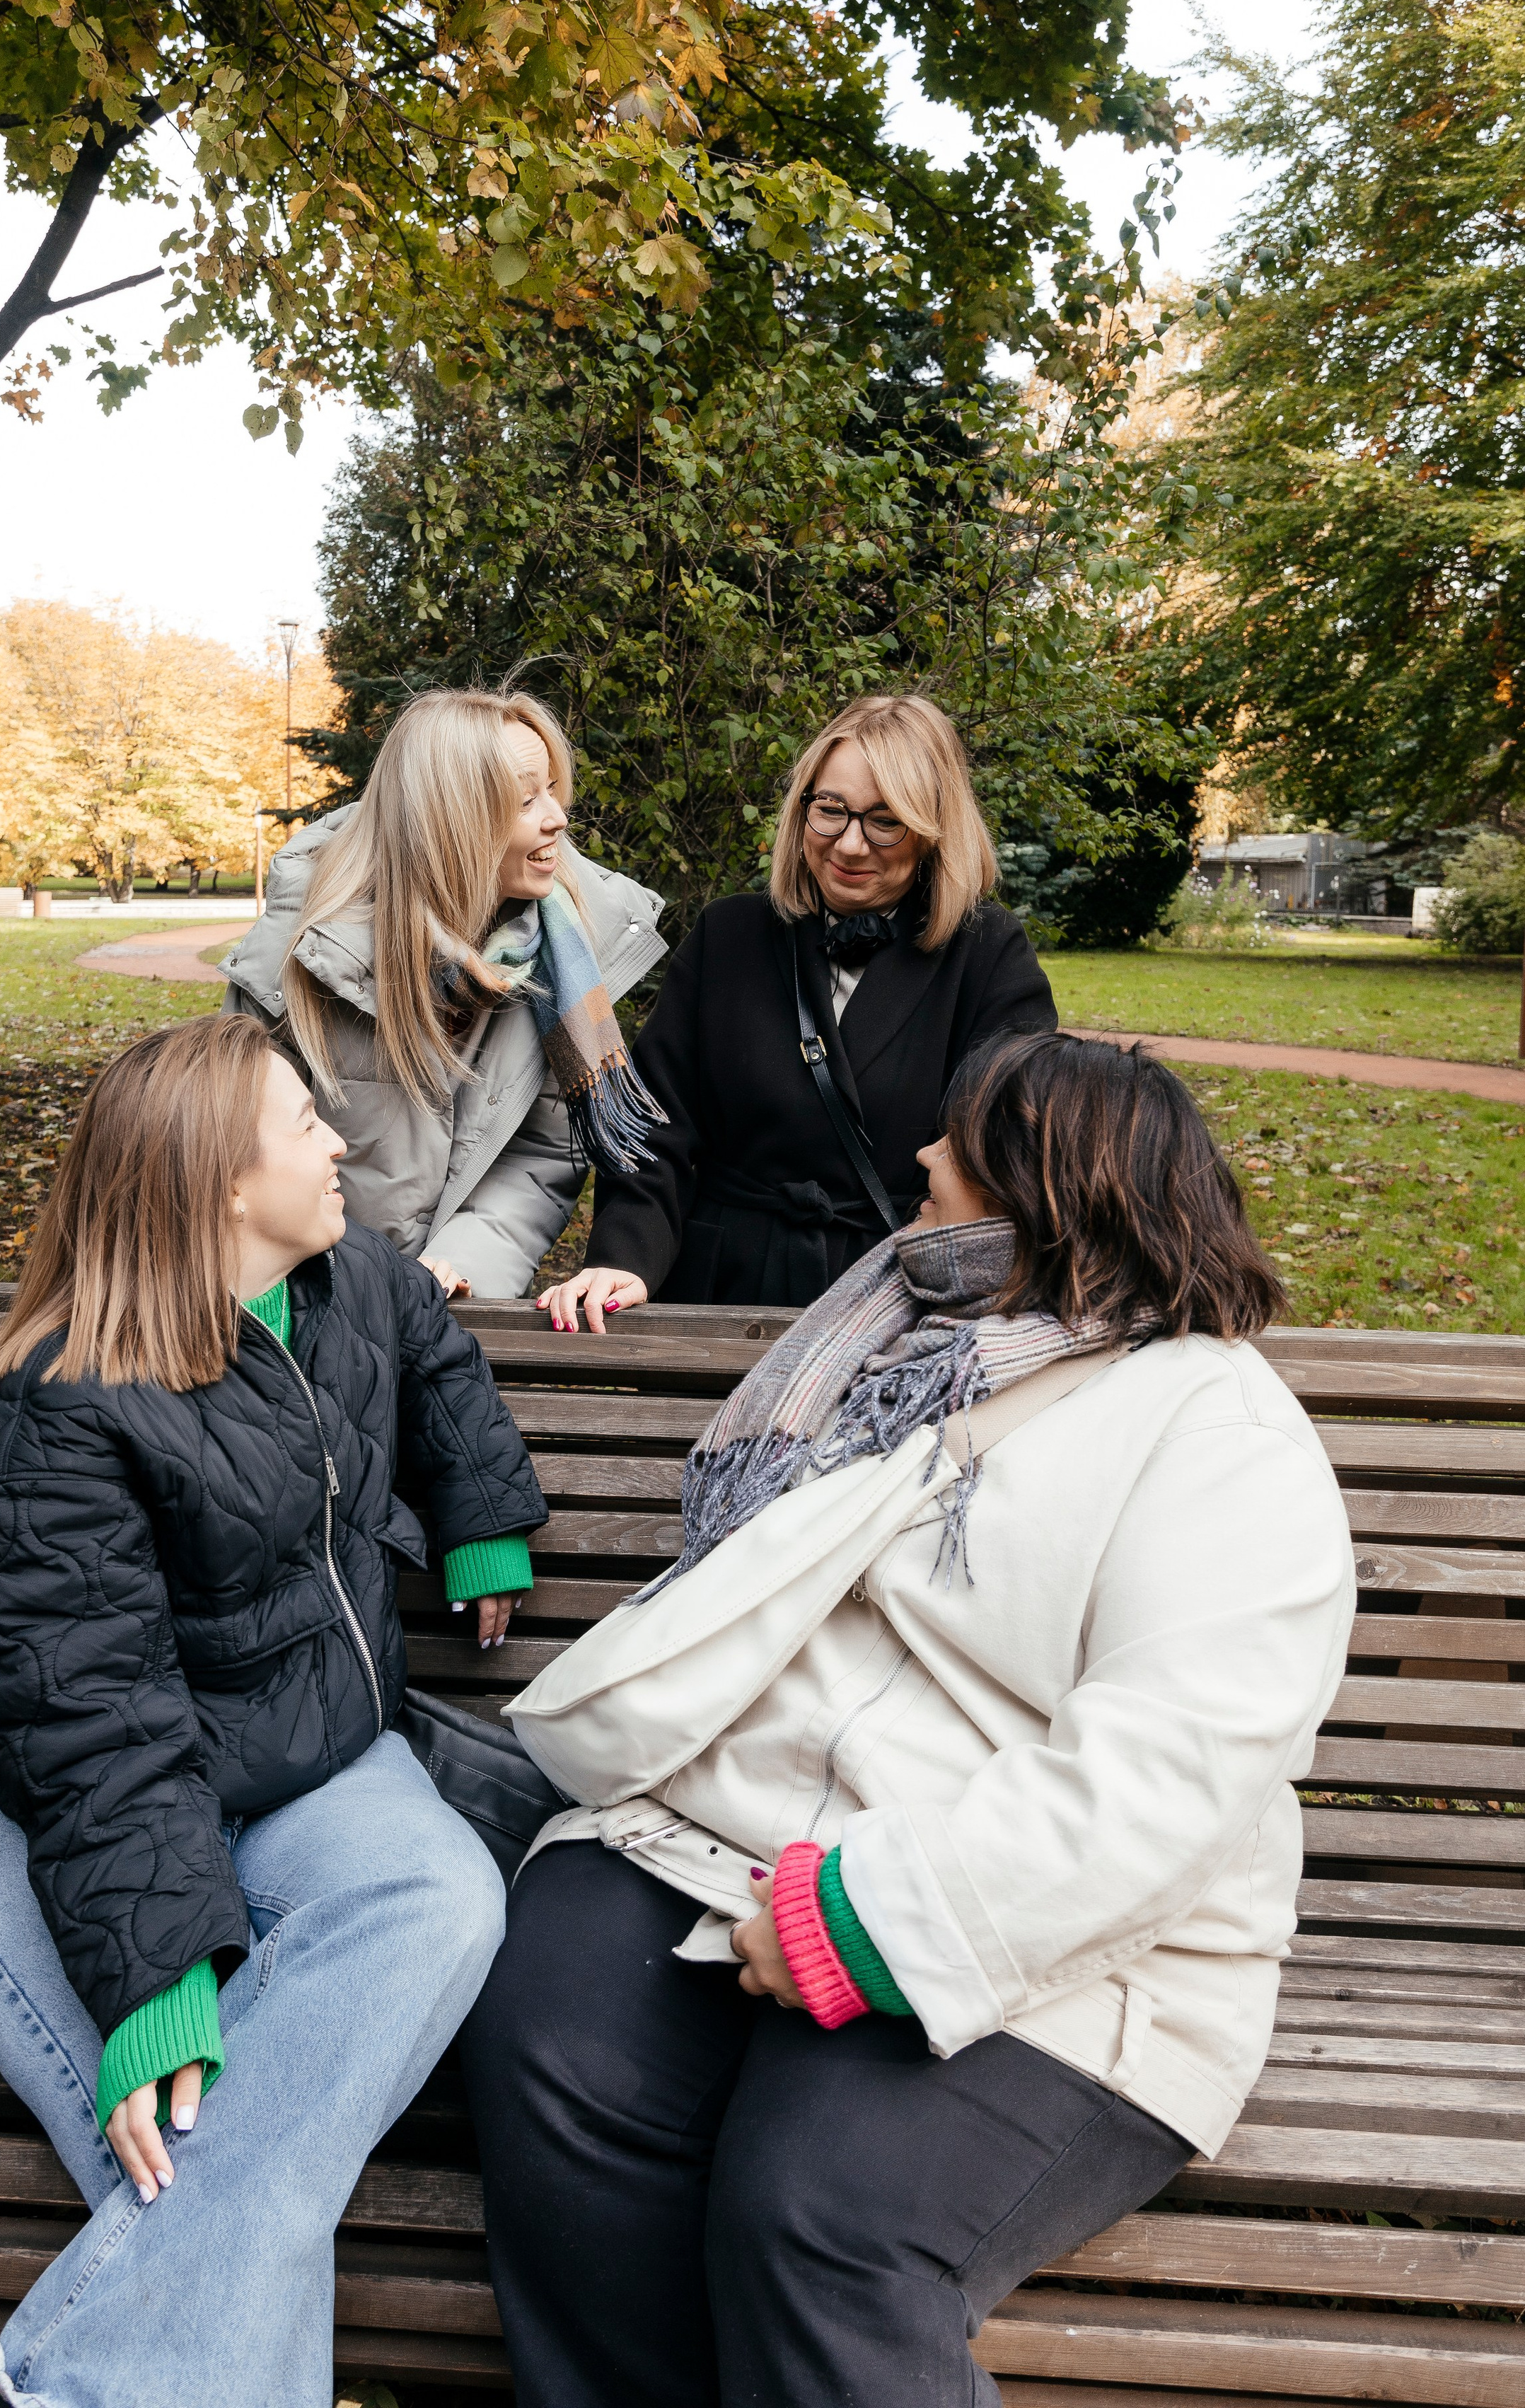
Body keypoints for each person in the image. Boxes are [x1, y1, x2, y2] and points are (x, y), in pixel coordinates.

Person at [465, 1031, 1356, 2408]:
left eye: (959, 1142)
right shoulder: (887, 1347)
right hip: (726, 1831)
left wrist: (861, 1922)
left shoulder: (1213, 1430)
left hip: (1057, 1929)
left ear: (1053, 1189)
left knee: (819, 2211)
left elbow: (1168, 1773)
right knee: (556, 2051)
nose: (921, 1160)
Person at [0, 1014, 545, 2408]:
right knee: (203, 2162)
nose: (338, 1145)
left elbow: (438, 1361)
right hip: (89, 1828)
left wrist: (484, 1517)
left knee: (440, 1899)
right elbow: (90, 1723)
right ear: (220, 1179)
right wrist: (155, 1984)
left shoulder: (348, 1284)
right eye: (302, 1126)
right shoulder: (54, 1419)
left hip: (323, 1766)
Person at [539, 691, 1055, 1327]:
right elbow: (655, 1126)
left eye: (885, 820)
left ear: (932, 831)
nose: (850, 845)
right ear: (802, 808)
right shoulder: (729, 936)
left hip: (896, 1302)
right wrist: (627, 1257)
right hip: (720, 1289)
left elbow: (1006, 1158)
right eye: (831, 811)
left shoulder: (988, 956)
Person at [223, 687, 666, 1301]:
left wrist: (460, 1264)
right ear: (450, 824)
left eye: (553, 792)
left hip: (456, 1313)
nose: (557, 818)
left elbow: (542, 1152)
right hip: (303, 1302)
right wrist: (369, 1286)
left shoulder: (565, 961)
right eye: (525, 799)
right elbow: (242, 1159)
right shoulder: (302, 958)